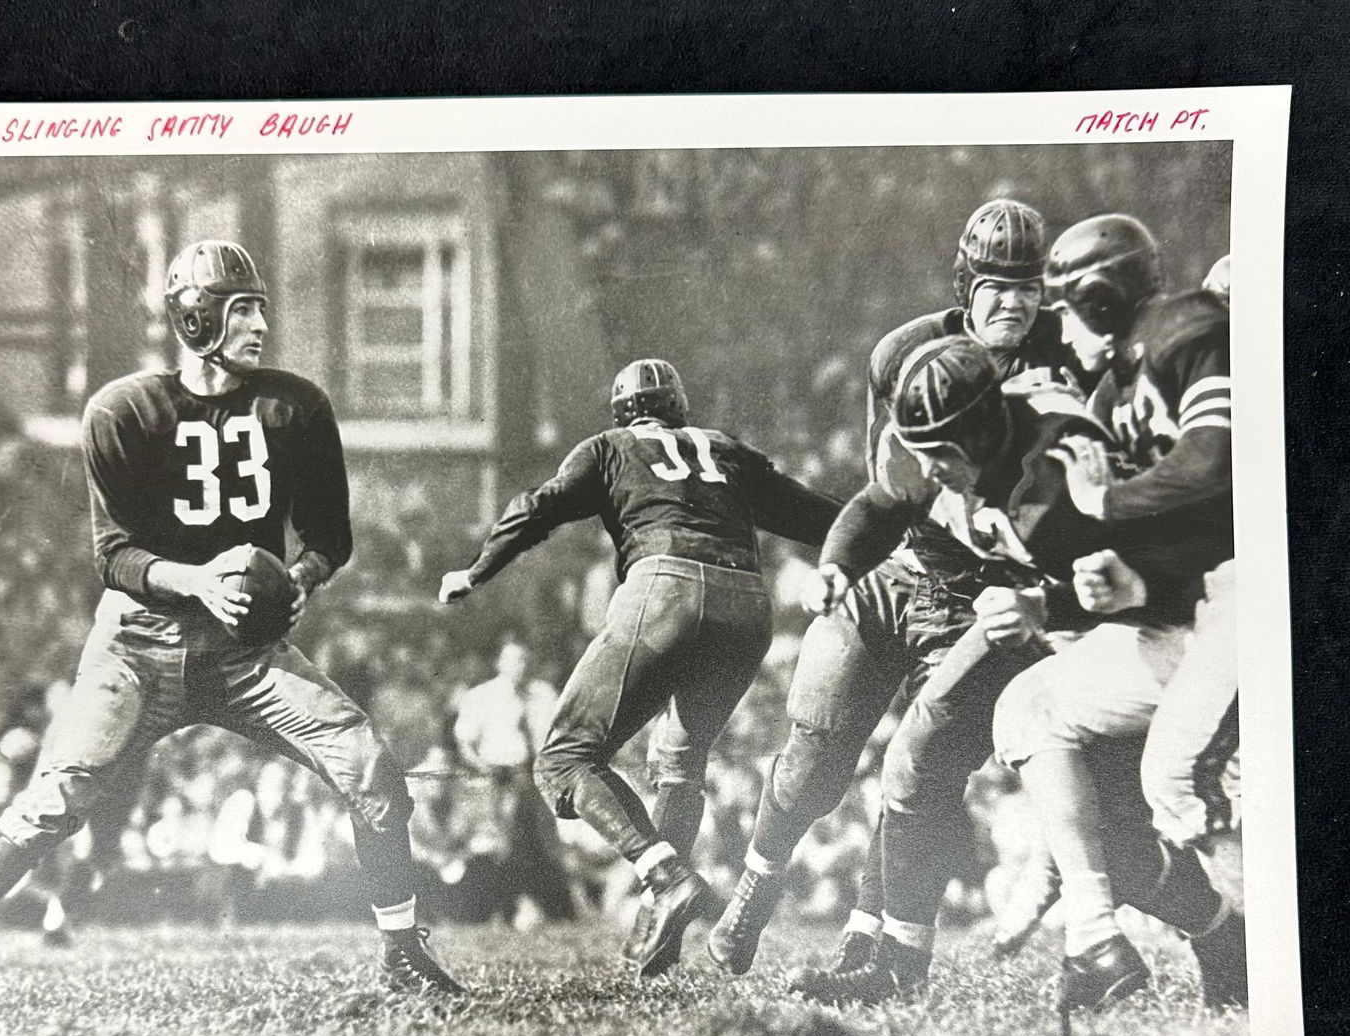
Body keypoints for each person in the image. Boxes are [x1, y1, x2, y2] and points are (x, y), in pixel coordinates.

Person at [0, 238, 464, 1004]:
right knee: (55, 800)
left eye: (260, 309)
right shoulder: (124, 410)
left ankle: (400, 950)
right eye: (241, 310)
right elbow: (114, 554)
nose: (259, 326)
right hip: (138, 644)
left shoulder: (294, 406)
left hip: (245, 651)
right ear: (196, 318)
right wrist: (199, 581)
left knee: (372, 769)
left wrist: (300, 581)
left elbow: (331, 537)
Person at [760, 334, 1235, 1006]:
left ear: (981, 438)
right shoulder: (932, 445)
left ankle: (1224, 934)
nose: (931, 472)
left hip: (1126, 620)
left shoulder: (1054, 483)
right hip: (1016, 611)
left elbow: (1148, 579)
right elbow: (877, 503)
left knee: (1117, 841)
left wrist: (1050, 601)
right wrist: (838, 562)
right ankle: (900, 964)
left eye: (943, 458)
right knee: (916, 757)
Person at [707, 199, 1083, 979]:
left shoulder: (1070, 360)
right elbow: (888, 493)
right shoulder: (912, 354)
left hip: (990, 599)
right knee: (814, 749)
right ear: (965, 286)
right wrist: (841, 561)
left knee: (922, 767)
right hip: (904, 569)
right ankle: (757, 881)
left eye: (1028, 285)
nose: (1014, 300)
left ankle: (872, 938)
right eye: (995, 285)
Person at [439, 358, 841, 975]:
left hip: (665, 588)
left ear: (623, 411)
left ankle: (666, 875)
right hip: (745, 605)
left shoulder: (610, 446)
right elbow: (813, 513)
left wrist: (477, 569)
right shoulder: (723, 448)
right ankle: (662, 932)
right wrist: (893, 536)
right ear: (678, 407)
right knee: (678, 765)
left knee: (564, 759)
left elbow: (538, 506)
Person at [992, 214, 1242, 1009]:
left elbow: (1220, 464)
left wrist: (1108, 499)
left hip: (1261, 593)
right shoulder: (1115, 387)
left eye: (1066, 307)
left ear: (1099, 298)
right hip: (1197, 609)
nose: (1061, 326)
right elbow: (1185, 532)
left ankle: (1283, 966)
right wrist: (1108, 586)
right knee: (1029, 707)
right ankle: (1095, 943)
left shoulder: (1185, 327)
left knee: (1178, 774)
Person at [452, 638, 575, 923]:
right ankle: (500, 910)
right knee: (503, 844)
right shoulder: (481, 696)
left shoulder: (543, 694)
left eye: (525, 660)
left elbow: (559, 734)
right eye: (513, 660)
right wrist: (485, 768)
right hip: (500, 777)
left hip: (537, 777)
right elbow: (465, 743)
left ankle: (555, 909)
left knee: (544, 843)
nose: (520, 667)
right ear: (499, 663)